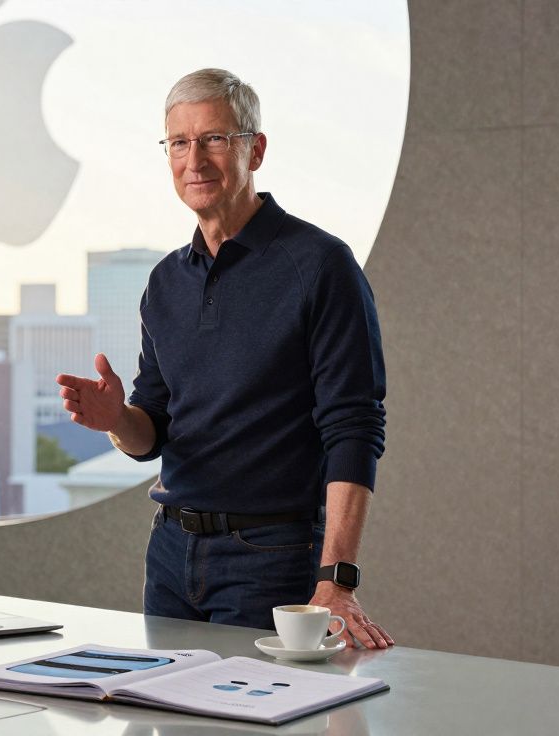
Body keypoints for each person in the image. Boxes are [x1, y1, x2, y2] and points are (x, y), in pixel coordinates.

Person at [55, 68, 393, 649]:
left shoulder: (320, 265)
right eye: (179, 143)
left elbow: (354, 428)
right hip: (168, 553)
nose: (195, 160)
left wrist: (337, 578)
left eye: (214, 138)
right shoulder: (164, 282)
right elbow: (151, 435)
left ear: (254, 149)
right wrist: (118, 421)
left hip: (273, 557)